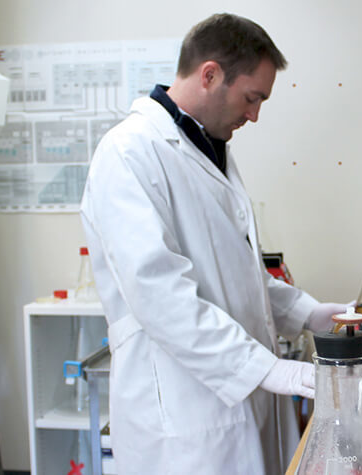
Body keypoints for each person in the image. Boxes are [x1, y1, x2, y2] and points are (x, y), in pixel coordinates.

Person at [80, 13, 346, 474]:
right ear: (210, 75)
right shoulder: (129, 153)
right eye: (251, 97)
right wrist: (267, 370)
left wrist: (305, 313)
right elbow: (160, 295)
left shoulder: (208, 147)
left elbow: (232, 274)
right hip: (183, 416)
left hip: (233, 401)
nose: (254, 115)